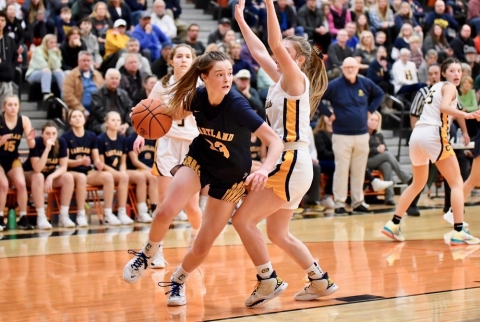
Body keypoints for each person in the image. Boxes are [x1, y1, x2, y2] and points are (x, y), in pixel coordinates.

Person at [122, 50, 284, 308]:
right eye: (220, 74)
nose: (227, 79)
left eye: (229, 73)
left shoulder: (238, 106)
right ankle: (146, 254)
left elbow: (274, 141)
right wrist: (145, 112)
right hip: (200, 160)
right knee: (166, 210)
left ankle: (178, 280)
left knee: (202, 244)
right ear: (204, 77)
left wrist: (263, 169)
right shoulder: (197, 97)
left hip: (231, 178)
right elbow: (173, 114)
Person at [229, 0, 339, 307]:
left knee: (242, 221)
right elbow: (260, 51)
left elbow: (273, 43)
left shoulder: (295, 80)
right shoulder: (280, 81)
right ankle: (319, 280)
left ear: (299, 60)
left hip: (290, 160)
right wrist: (240, 18)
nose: (278, 57)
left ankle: (267, 280)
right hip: (292, 163)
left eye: (286, 54)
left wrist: (268, 4)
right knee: (278, 233)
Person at [382, 58, 480, 245]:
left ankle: (393, 223)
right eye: (452, 71)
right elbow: (445, 108)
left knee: (417, 183)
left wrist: (469, 112)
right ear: (444, 73)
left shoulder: (436, 88)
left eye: (459, 70)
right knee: (457, 182)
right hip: (433, 135)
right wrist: (467, 115)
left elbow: (452, 107)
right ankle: (459, 231)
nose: (457, 74)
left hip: (417, 136)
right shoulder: (450, 88)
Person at [131, 44, 202, 269]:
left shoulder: (201, 85)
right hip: (168, 143)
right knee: (164, 202)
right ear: (171, 61)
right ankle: (157, 250)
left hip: (193, 145)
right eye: (179, 56)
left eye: (187, 56)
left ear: (193, 60)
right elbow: (147, 110)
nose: (183, 59)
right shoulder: (163, 84)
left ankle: (196, 240)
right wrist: (141, 134)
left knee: (191, 206)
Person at [320, 57, 384, 215]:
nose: (350, 70)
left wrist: (371, 110)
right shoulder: (335, 85)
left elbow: (380, 94)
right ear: (342, 68)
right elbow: (316, 97)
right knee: (341, 170)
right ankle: (340, 203)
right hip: (342, 135)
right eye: (347, 67)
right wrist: (328, 113)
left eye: (353, 67)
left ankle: (358, 202)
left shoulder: (365, 83)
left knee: (359, 170)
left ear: (358, 68)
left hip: (362, 134)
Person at [62, 109, 120, 227]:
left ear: (84, 119)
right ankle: (81, 214)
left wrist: (98, 163)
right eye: (74, 117)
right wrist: (80, 162)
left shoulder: (92, 136)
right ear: (70, 121)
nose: (78, 118)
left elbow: (96, 158)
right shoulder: (65, 137)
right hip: (71, 172)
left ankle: (108, 214)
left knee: (108, 177)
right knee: (81, 177)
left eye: (80, 116)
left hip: (88, 172)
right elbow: (65, 161)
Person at [23, 121, 76, 230]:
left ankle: (64, 216)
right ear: (42, 134)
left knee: (68, 177)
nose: (51, 136)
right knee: (39, 176)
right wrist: (47, 149)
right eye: (47, 133)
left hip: (47, 176)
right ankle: (41, 217)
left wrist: (51, 177)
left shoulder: (61, 142)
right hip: (29, 175)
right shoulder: (36, 143)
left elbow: (63, 167)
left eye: (53, 133)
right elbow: (37, 168)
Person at [0, 95, 36, 231]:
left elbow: (32, 145)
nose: (13, 107)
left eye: (15, 105)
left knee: (21, 184)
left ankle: (23, 218)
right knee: (3, 185)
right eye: (10, 105)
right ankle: (0, 218)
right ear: (4, 107)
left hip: (12, 158)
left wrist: (31, 139)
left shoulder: (24, 120)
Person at [97, 111, 135, 225]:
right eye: (113, 120)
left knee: (124, 176)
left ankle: (121, 212)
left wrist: (122, 172)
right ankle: (108, 214)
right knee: (117, 177)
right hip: (104, 171)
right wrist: (119, 174)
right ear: (107, 123)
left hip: (118, 172)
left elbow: (123, 162)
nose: (116, 122)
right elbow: (102, 164)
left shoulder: (122, 140)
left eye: (118, 120)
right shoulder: (100, 139)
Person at [367, 112, 411, 206]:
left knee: (387, 165)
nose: (374, 122)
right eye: (372, 120)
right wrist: (376, 150)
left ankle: (389, 197)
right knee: (387, 155)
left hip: (378, 160)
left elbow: (385, 149)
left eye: (376, 120)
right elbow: (363, 151)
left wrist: (382, 149)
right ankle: (405, 178)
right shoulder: (363, 135)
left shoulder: (379, 136)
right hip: (366, 161)